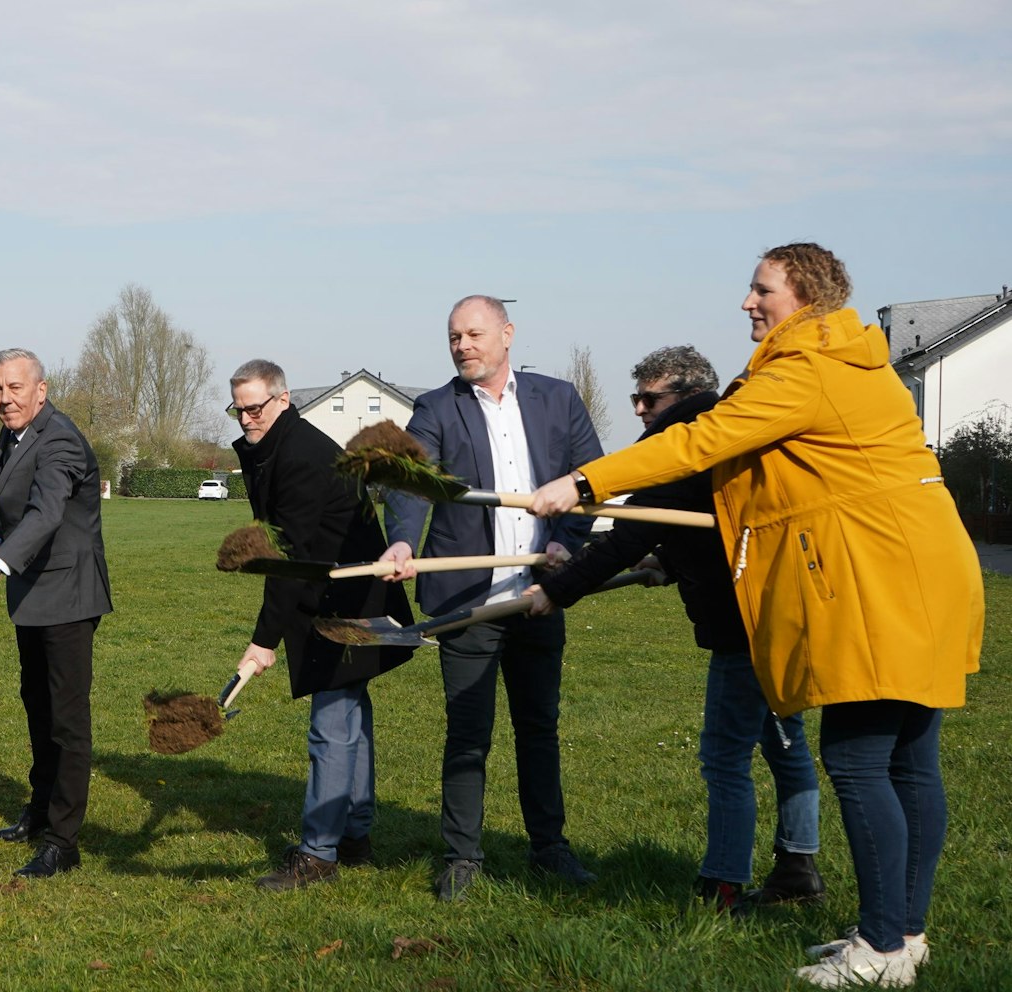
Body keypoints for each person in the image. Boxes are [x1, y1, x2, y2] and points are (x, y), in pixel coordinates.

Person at [530, 243, 984, 988]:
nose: (747, 302)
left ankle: (881, 952)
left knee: (859, 757)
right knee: (908, 759)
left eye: (759, 288)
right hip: (928, 571)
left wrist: (583, 481)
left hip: (877, 579)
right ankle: (903, 932)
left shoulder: (803, 369)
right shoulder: (851, 361)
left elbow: (699, 441)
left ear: (802, 293)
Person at [531, 346, 823, 912]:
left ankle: (723, 883)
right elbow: (710, 524)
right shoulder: (733, 435)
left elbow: (628, 533)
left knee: (724, 754)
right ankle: (798, 865)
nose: (640, 409)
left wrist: (555, 591)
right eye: (636, 398)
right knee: (783, 741)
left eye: (649, 398)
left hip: (746, 625)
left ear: (686, 396)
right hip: (785, 608)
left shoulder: (688, 435)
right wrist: (670, 561)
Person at [379, 295, 604, 901]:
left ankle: (550, 850)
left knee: (539, 726)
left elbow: (591, 482)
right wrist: (402, 542)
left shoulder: (557, 399)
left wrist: (563, 547)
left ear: (507, 333)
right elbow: (410, 483)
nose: (463, 346)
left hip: (540, 591)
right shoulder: (434, 408)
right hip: (466, 598)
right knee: (468, 731)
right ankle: (461, 859)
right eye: (454, 337)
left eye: (474, 334)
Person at [227, 360, 414, 891]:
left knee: (331, 725)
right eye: (238, 408)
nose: (245, 419)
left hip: (349, 599)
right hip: (338, 592)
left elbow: (290, 559)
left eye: (255, 407)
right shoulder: (277, 444)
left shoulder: (302, 456)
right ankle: (353, 836)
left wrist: (263, 642)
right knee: (349, 715)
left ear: (282, 400)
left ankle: (319, 855)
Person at [0, 348, 113, 878]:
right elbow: (5, 504)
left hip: (69, 597)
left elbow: (45, 511)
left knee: (67, 720)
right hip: (30, 593)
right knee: (37, 705)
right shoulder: (11, 436)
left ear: (41, 389)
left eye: (14, 388)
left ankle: (63, 842)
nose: (4, 399)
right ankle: (39, 810)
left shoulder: (59, 440)